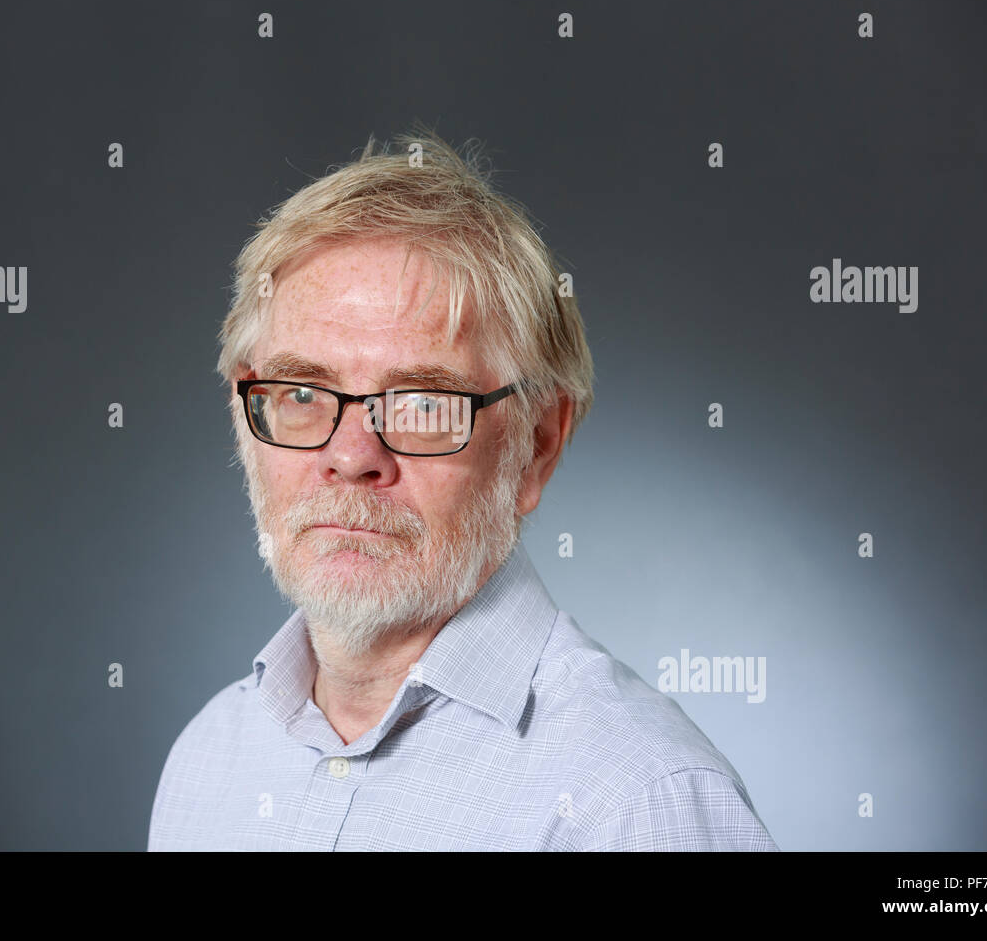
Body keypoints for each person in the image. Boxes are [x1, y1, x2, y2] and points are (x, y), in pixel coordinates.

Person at [149, 127, 777, 850]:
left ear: (538, 445)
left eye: (422, 403)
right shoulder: (210, 760)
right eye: (301, 393)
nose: (351, 456)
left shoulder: (639, 804)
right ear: (242, 411)